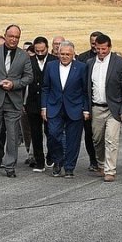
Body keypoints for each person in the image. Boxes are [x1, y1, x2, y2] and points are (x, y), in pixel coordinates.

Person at [0, 24, 34, 177]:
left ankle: (10, 166)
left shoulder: (24, 56)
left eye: (17, 37)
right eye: (11, 36)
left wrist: (14, 84)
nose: (14, 39)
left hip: (13, 100)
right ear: (5, 35)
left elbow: (29, 77)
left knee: (13, 135)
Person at [85, 33, 122, 182]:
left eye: (104, 49)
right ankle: (101, 163)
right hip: (96, 107)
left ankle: (110, 170)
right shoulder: (90, 63)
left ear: (109, 47)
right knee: (97, 139)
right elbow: (87, 87)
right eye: (98, 49)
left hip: (114, 107)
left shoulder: (120, 63)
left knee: (111, 139)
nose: (101, 52)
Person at [41, 40, 89, 178]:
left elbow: (85, 90)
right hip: (54, 106)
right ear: (58, 54)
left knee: (73, 139)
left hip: (75, 107)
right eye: (62, 54)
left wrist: (85, 109)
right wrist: (44, 107)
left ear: (73, 54)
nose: (64, 56)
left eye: (68, 54)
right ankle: (58, 160)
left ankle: (69, 167)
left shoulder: (81, 67)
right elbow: (45, 87)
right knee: (53, 134)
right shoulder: (50, 66)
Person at [24, 36, 51, 172]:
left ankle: (51, 155)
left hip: (50, 104)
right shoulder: (28, 61)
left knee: (51, 132)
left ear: (47, 48)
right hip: (33, 103)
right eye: (37, 51)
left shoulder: (54, 60)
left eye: (42, 51)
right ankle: (39, 162)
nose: (40, 54)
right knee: (35, 133)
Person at [77, 31, 103, 171]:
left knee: (101, 135)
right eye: (92, 42)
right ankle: (93, 160)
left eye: (96, 42)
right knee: (89, 134)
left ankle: (102, 160)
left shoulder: (107, 57)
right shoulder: (82, 58)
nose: (94, 44)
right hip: (87, 101)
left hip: (102, 100)